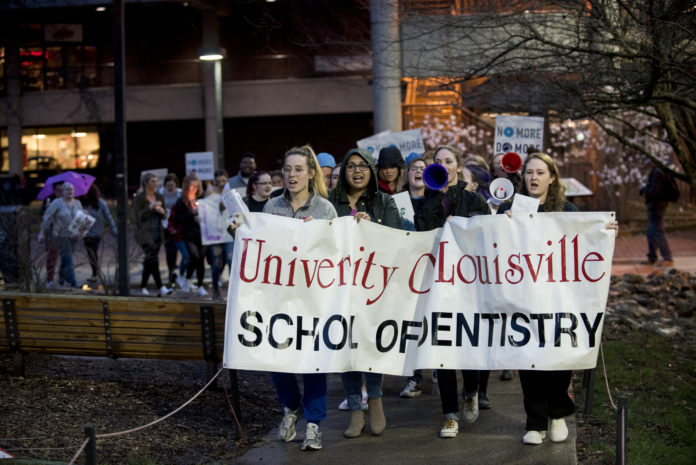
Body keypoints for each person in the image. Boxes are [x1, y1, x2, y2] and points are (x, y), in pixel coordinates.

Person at [497, 152, 618, 445]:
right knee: (528, 359)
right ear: (522, 177)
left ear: (552, 177)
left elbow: (586, 241)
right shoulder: (509, 208)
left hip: (560, 299)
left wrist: (606, 232)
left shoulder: (568, 210)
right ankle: (535, 422)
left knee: (559, 357)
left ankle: (557, 414)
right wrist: (502, 224)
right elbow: (494, 246)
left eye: (540, 172)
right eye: (529, 173)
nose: (534, 178)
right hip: (523, 298)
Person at [257, 145, 337, 451]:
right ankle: (291, 408)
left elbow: (333, 253)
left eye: (298, 169)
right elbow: (264, 249)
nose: (291, 175)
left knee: (313, 361)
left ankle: (314, 425)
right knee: (279, 358)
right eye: (287, 169)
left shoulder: (325, 210)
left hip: (313, 299)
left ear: (311, 173)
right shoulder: (272, 207)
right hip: (280, 298)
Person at [414, 145, 491, 439]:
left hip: (469, 287)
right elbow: (420, 237)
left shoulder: (474, 201)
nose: (443, 166)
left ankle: (471, 390)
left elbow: (487, 237)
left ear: (459, 167)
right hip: (438, 286)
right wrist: (435, 201)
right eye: (438, 162)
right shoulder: (425, 203)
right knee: (442, 348)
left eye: (449, 161)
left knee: (467, 345)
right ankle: (449, 415)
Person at [328, 147, 401, 438]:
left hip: (373, 289)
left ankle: (376, 400)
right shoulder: (329, 204)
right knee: (346, 346)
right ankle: (356, 409)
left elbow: (398, 241)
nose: (357, 171)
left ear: (371, 171)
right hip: (339, 288)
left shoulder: (384, 202)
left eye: (363, 166)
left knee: (371, 345)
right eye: (351, 166)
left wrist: (376, 230)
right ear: (343, 171)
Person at [133, 173, 173, 296]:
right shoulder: (139, 197)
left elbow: (165, 215)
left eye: (156, 181)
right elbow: (138, 216)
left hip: (157, 232)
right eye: (152, 181)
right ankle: (161, 287)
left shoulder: (159, 196)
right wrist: (149, 207)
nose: (155, 184)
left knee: (150, 260)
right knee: (152, 259)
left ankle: (144, 286)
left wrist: (162, 212)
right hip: (145, 234)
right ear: (146, 183)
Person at [41, 182, 83, 289]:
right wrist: (43, 233)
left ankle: (61, 278)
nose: (70, 191)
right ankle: (72, 282)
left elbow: (81, 218)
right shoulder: (57, 203)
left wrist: (85, 216)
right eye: (67, 189)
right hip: (60, 235)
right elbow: (47, 217)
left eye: (72, 189)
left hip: (73, 236)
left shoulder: (77, 203)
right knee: (68, 258)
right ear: (63, 192)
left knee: (66, 259)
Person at [171, 174, 208, 296]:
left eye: (196, 186)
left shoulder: (202, 197)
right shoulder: (181, 200)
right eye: (191, 186)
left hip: (203, 233)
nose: (194, 189)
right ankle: (187, 279)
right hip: (189, 234)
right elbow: (177, 218)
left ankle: (200, 285)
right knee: (194, 256)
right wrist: (191, 214)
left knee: (201, 260)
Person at [640, 161, 674, 266]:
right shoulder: (660, 171)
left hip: (657, 206)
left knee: (658, 231)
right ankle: (652, 257)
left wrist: (645, 190)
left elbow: (654, 191)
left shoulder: (657, 173)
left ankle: (667, 258)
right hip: (657, 205)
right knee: (651, 233)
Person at [82, 184, 117, 283]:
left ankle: (95, 273)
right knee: (89, 253)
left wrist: (113, 228)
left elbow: (108, 216)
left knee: (93, 252)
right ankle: (95, 272)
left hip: (96, 232)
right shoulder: (82, 204)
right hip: (85, 232)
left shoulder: (100, 203)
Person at [160, 173, 182, 287]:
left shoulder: (180, 193)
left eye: (172, 186)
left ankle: (176, 267)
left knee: (178, 247)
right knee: (170, 249)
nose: (170, 188)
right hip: (165, 224)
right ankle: (171, 269)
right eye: (168, 186)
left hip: (177, 223)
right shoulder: (160, 193)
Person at [40, 181, 64, 288]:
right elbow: (42, 216)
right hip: (51, 233)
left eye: (61, 190)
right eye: (58, 190)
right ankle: (50, 278)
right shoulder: (49, 200)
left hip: (64, 232)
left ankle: (64, 278)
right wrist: (47, 208)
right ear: (54, 191)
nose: (60, 192)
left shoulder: (67, 200)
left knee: (66, 257)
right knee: (51, 256)